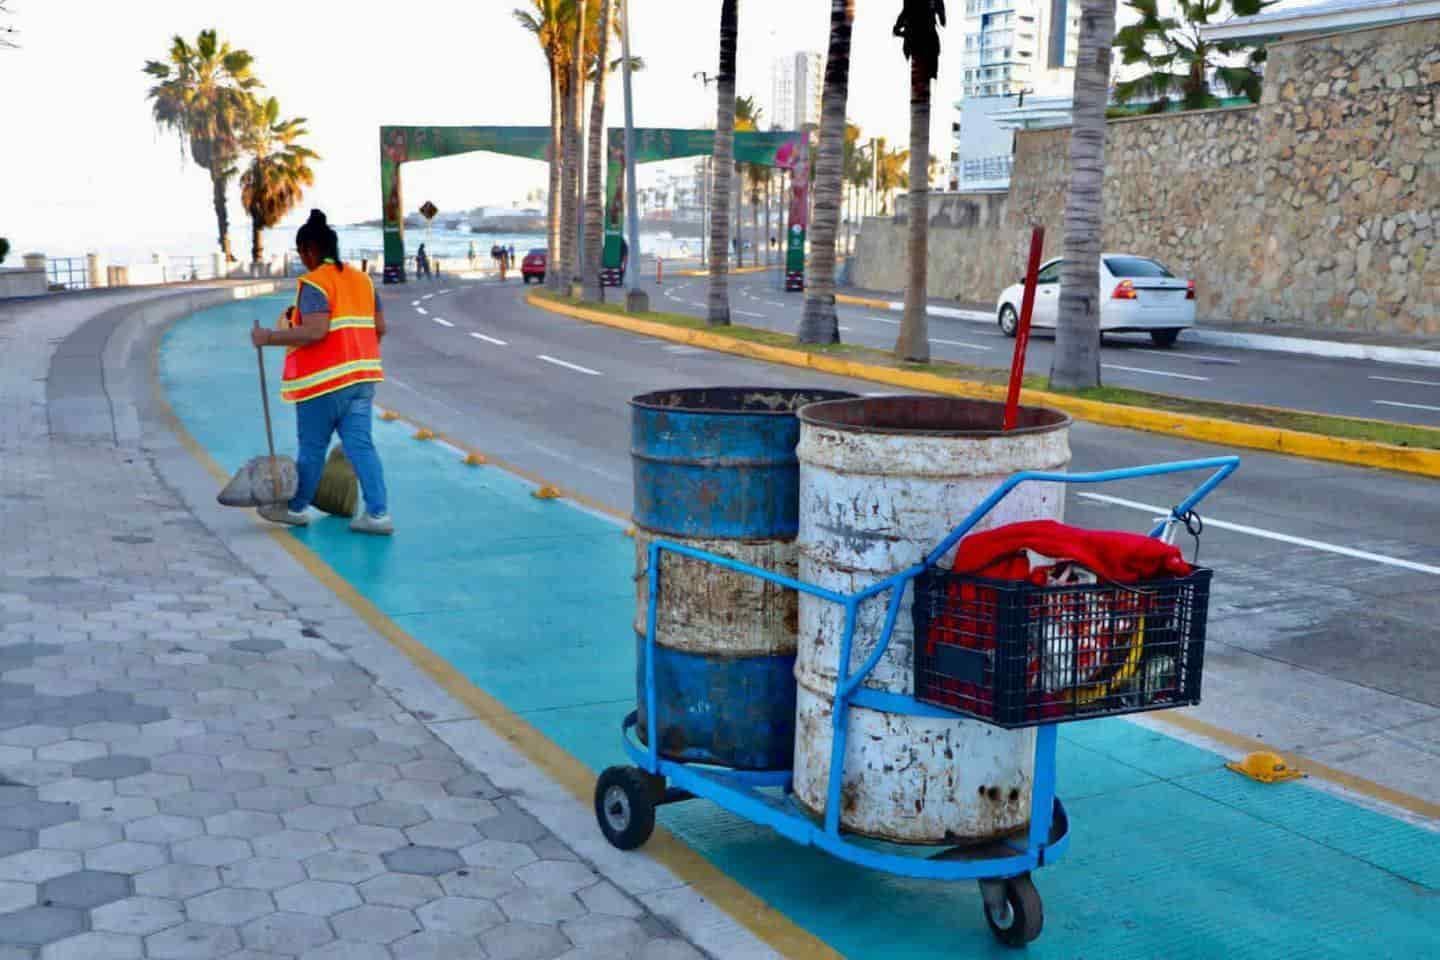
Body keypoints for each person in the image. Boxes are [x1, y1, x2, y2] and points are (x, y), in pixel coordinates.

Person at [251, 209, 393, 535]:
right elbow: (380, 327)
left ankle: (297, 508)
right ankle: (378, 514)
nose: (302, 260)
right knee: (361, 447)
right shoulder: (362, 280)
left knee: (312, 447)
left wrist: (268, 337)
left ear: (310, 250)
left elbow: (316, 331)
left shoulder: (315, 284)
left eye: (301, 253)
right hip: (362, 380)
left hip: (324, 384)